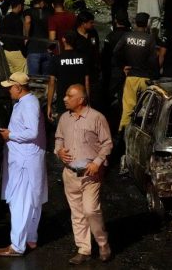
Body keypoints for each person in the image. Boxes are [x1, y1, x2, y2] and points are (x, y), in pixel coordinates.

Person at [54, 84, 113, 264]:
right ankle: (83, 249)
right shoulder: (64, 118)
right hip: (70, 174)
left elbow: (107, 143)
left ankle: (103, 243)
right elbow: (59, 138)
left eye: (69, 96)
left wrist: (97, 162)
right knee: (77, 213)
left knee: (90, 210)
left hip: (91, 174)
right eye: (65, 95)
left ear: (81, 100)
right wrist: (58, 151)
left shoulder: (96, 117)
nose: (64, 98)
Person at [0, 73, 47, 257]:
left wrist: (10, 135)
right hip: (26, 158)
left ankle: (17, 246)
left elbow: (32, 131)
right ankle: (30, 238)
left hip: (25, 160)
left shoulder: (28, 104)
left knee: (20, 202)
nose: (8, 90)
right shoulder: (26, 102)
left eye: (10, 87)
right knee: (31, 200)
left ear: (19, 87)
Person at [113, 12, 158, 133]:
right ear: (147, 23)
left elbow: (116, 52)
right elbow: (154, 60)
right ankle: (142, 132)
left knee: (128, 108)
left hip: (131, 77)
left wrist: (123, 66)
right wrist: (155, 76)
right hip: (145, 79)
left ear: (135, 23)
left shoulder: (127, 36)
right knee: (145, 109)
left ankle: (122, 133)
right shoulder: (150, 39)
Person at [47, 31, 89, 122]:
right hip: (80, 100)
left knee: (64, 130)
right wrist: (88, 101)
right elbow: (87, 82)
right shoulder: (83, 58)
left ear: (63, 40)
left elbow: (52, 82)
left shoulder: (56, 59)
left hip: (63, 101)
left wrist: (49, 105)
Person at [25, 0, 54, 76]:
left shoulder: (28, 11)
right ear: (42, 2)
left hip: (33, 48)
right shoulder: (49, 12)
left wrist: (26, 36)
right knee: (46, 78)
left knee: (34, 78)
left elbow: (27, 21)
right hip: (47, 48)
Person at [1, 0, 27, 73]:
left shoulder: (5, 18)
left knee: (11, 76)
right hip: (15, 51)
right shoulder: (17, 20)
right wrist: (24, 52)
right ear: (19, 6)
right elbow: (19, 39)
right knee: (21, 77)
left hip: (5, 51)